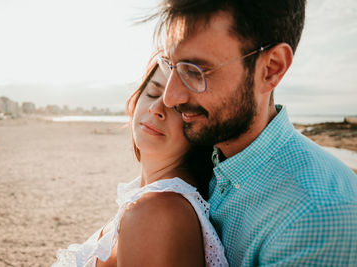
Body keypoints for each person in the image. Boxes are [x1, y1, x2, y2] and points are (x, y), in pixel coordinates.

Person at [148, 0, 357, 266]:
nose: (170, 97)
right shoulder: (202, 155)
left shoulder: (316, 214)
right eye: (171, 65)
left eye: (195, 70)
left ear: (272, 68)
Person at [51, 59, 228, 267]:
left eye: (178, 107)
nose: (156, 108)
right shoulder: (153, 198)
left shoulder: (156, 212)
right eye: (152, 93)